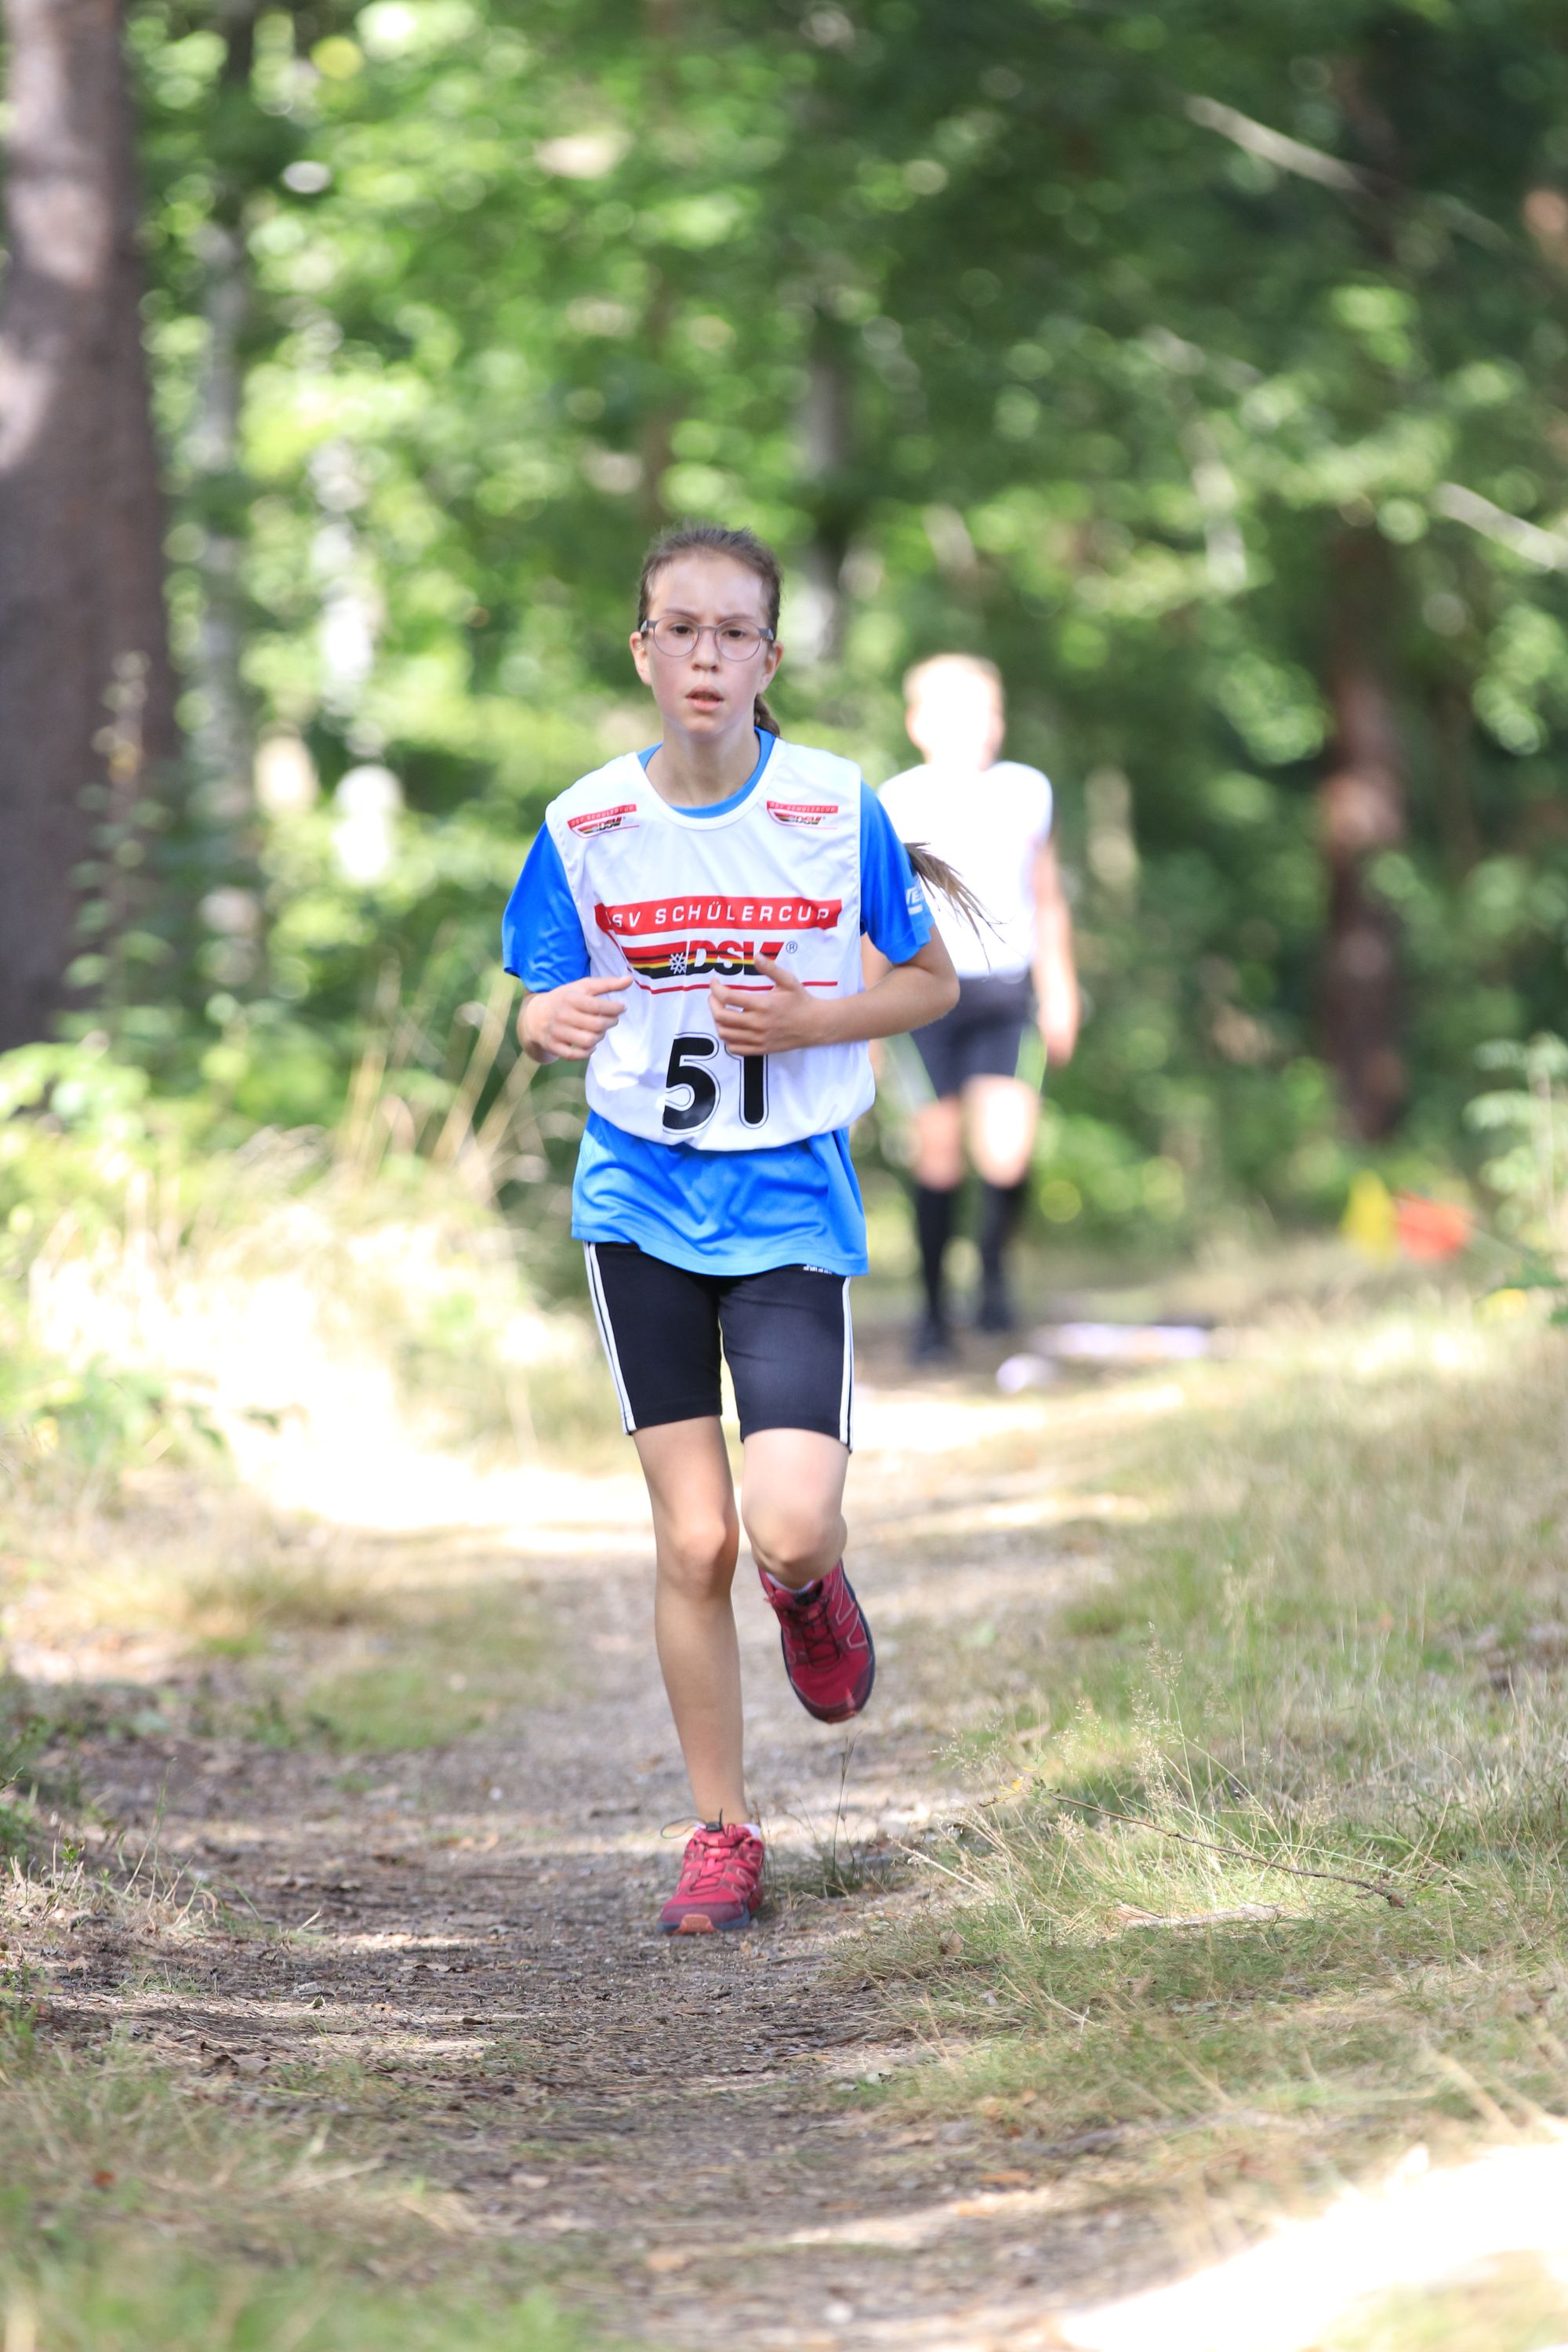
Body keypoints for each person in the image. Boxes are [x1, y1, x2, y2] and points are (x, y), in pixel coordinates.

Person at [502, 523, 967, 1935]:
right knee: (692, 1538)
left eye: (734, 633)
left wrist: (820, 1019)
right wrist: (543, 1021)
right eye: (680, 630)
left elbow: (931, 984)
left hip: (786, 1200)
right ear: (642, 650)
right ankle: (722, 1832)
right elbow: (535, 1003)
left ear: (769, 658)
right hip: (639, 1199)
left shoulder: (833, 804)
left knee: (787, 1522)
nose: (706, 656)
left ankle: (810, 1590)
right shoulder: (584, 824)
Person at [877, 655, 1080, 1358]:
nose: (985, 727)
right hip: (922, 995)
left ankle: (992, 1277)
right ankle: (933, 1312)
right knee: (938, 1153)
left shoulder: (1028, 791)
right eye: (966, 713)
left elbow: (1046, 897)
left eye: (993, 711)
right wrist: (864, 1019)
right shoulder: (896, 801)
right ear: (920, 724)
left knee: (1008, 1150)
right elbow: (877, 917)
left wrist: (1061, 988)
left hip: (1005, 993)